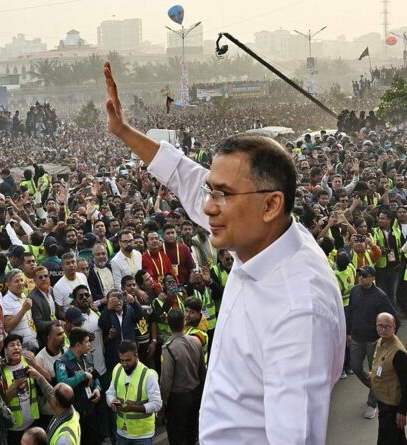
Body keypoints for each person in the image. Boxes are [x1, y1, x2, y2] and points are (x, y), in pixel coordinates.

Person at [104, 62, 345, 443]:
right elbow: (183, 174)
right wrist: (123, 130)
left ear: (271, 204)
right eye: (210, 191)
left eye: (223, 194)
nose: (208, 206)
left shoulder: (299, 309)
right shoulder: (260, 234)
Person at [348, 265, 399, 419]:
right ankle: (378, 389)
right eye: (360, 275)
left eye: (364, 276)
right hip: (356, 339)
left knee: (376, 372)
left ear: (372, 278)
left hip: (373, 342)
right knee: (356, 367)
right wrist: (348, 332)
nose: (361, 278)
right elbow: (350, 312)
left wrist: (388, 340)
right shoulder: (354, 291)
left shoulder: (380, 297)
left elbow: (394, 319)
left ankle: (372, 403)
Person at [160, 309, 204, 445]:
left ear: (168, 324)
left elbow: (166, 380)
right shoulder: (196, 341)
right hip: (196, 393)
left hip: (178, 399)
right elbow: (202, 371)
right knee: (192, 433)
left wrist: (163, 402)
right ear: (183, 322)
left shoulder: (168, 348)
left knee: (177, 436)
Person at [106, 340, 162, 445]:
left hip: (143, 435)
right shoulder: (117, 370)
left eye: (128, 360)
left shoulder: (148, 375)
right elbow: (110, 393)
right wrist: (112, 402)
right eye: (122, 360)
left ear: (136, 355)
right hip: (121, 433)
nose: (124, 364)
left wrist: (133, 408)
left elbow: (157, 404)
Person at [53, 328, 100, 445]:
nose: (89, 344)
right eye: (87, 342)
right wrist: (82, 375)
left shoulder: (88, 356)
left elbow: (95, 376)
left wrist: (97, 389)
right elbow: (62, 384)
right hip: (74, 413)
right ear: (78, 345)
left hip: (90, 408)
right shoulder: (61, 362)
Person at [370, 312, 407, 445]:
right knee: (397, 438)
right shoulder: (380, 341)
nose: (383, 329)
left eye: (387, 326)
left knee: (386, 439)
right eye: (380, 326)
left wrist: (402, 411)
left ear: (394, 327)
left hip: (391, 406)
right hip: (383, 400)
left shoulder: (398, 353)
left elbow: (406, 384)